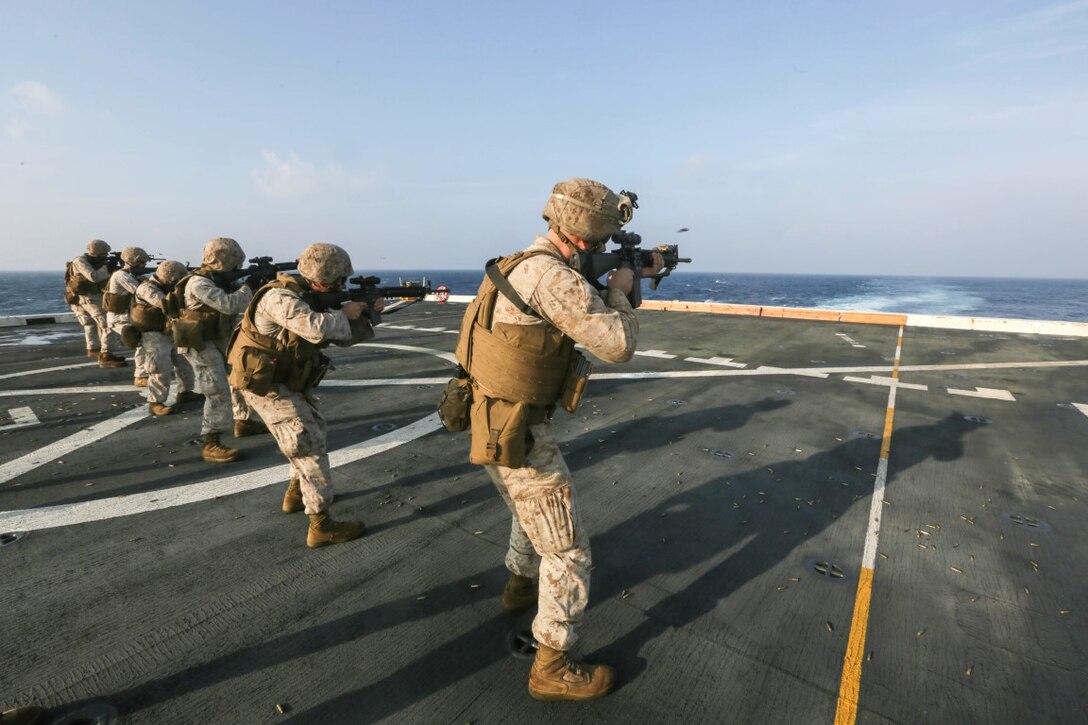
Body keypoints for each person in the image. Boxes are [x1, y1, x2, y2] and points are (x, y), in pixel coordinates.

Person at [455, 178, 663, 702]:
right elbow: (617, 345)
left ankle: (520, 584)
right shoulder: (554, 279)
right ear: (591, 234)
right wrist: (620, 287)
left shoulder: (513, 264)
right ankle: (552, 663)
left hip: (492, 419)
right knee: (568, 550)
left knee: (528, 516)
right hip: (521, 430)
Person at [227, 242, 381, 548]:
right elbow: (316, 329)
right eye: (340, 280)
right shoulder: (279, 297)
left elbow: (341, 337)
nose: (342, 285)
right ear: (326, 278)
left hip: (281, 378)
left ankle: (296, 493)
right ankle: (320, 524)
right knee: (306, 442)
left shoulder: (306, 295)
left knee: (310, 431)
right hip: (265, 383)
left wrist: (366, 315)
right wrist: (346, 312)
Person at [175, 237, 267, 463]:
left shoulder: (216, 280)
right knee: (216, 390)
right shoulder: (199, 283)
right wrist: (250, 286)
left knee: (239, 378)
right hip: (199, 343)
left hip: (217, 339)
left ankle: (243, 421)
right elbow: (230, 304)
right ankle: (211, 441)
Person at [129, 260, 204, 416]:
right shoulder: (146, 288)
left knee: (184, 363)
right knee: (159, 367)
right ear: (172, 280)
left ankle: (185, 392)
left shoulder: (163, 286)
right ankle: (155, 402)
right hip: (154, 334)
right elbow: (166, 304)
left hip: (171, 330)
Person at [64, 239, 127, 368]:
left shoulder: (89, 260)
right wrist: (107, 268)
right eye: (103, 254)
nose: (105, 257)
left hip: (85, 297)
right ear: (96, 252)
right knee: (108, 325)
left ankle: (93, 349)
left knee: (91, 324)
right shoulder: (80, 261)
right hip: (87, 298)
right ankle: (106, 355)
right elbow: (93, 276)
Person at [105, 246, 151, 387]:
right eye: (142, 262)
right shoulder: (121, 275)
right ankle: (140, 376)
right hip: (119, 318)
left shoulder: (129, 275)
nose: (144, 265)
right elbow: (139, 291)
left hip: (126, 315)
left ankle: (144, 372)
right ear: (134, 262)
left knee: (145, 341)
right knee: (141, 342)